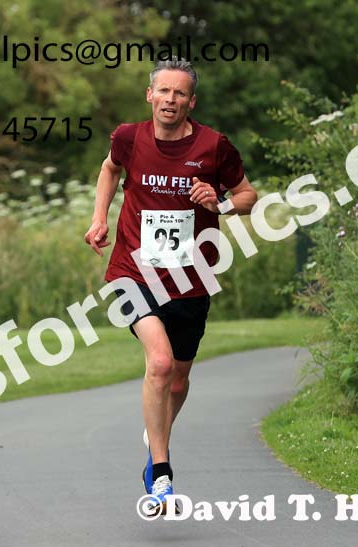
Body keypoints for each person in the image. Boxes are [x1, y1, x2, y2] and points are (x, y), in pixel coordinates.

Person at [84, 58, 258, 511]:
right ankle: (161, 472)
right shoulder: (128, 137)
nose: (170, 100)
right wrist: (99, 218)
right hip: (132, 271)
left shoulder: (214, 146)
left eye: (179, 94)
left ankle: (155, 435)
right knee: (159, 364)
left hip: (190, 277)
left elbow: (248, 197)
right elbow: (109, 169)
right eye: (163, 91)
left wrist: (219, 202)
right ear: (150, 96)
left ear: (190, 102)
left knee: (178, 380)